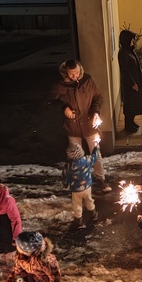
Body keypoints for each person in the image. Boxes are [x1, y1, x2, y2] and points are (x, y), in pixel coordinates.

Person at [49, 59, 111, 193]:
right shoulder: (60, 84)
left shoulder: (87, 80)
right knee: (75, 157)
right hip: (72, 126)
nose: (74, 76)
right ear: (66, 72)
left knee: (96, 153)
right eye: (71, 74)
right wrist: (64, 108)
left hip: (89, 124)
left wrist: (95, 113)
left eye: (76, 72)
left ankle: (100, 179)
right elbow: (52, 101)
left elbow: (97, 97)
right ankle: (77, 181)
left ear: (80, 70)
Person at [0, 231, 65, 282]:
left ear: (27, 251)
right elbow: (16, 271)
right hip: (31, 278)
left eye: (18, 245)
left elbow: (55, 279)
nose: (16, 246)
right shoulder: (21, 256)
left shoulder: (46, 261)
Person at [62, 142, 100, 229]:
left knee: (77, 205)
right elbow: (95, 157)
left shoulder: (68, 166)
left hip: (75, 190)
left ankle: (78, 221)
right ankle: (93, 215)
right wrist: (96, 147)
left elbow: (64, 176)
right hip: (87, 187)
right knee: (89, 200)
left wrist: (65, 184)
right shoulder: (86, 160)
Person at [117, 29, 142, 134]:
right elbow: (125, 71)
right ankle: (128, 125)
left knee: (134, 104)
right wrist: (132, 83)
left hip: (135, 81)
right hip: (130, 85)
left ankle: (132, 123)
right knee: (130, 105)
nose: (133, 42)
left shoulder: (129, 50)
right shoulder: (123, 53)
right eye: (131, 40)